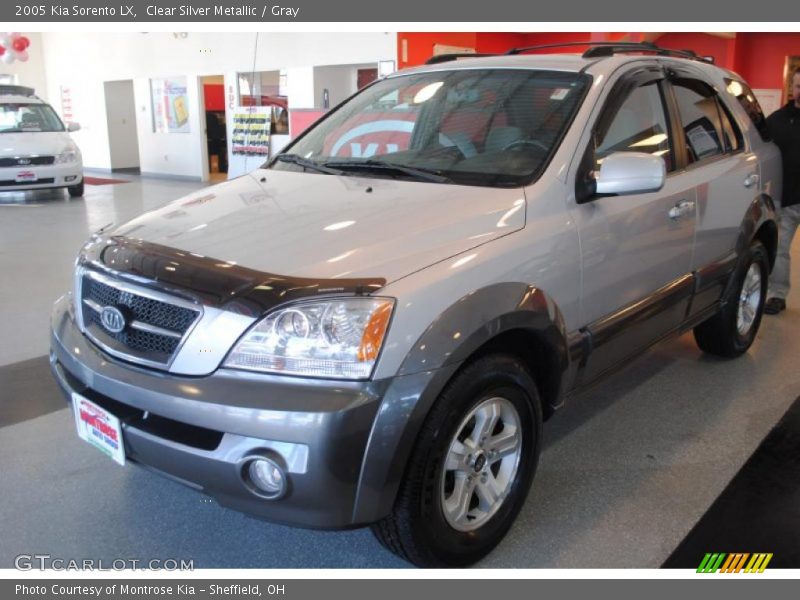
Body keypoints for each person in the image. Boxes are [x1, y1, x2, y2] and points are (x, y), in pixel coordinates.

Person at [765, 67, 800, 315]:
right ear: (792, 87)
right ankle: (777, 295)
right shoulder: (776, 120)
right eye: (799, 85)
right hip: (787, 198)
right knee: (780, 250)